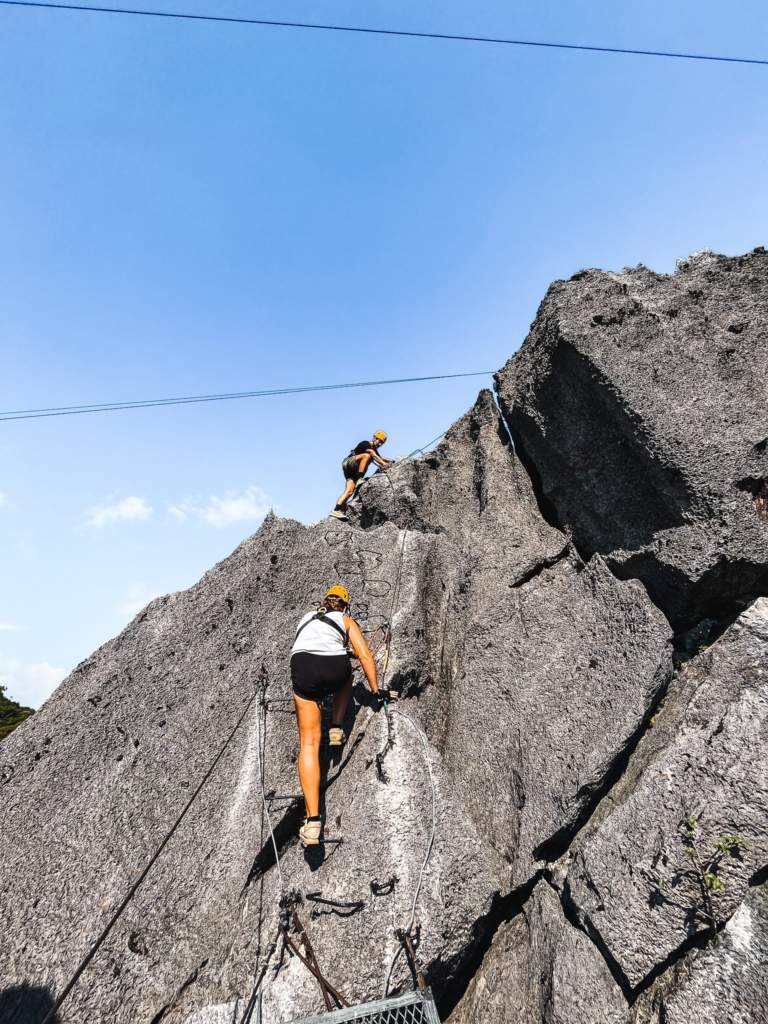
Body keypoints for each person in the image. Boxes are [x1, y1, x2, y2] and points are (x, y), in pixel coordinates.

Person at [290, 585, 398, 844]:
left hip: (303, 666)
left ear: (324, 602)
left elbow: (310, 645)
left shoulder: (306, 617)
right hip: (335, 666)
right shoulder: (346, 620)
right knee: (345, 677)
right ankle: (336, 726)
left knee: (308, 744)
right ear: (345, 606)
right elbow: (364, 655)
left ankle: (313, 822)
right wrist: (376, 691)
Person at [329, 431, 394, 520]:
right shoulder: (365, 444)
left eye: (382, 443)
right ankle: (360, 478)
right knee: (367, 456)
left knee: (349, 491)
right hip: (348, 462)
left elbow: (380, 457)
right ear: (374, 438)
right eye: (379, 441)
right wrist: (384, 464)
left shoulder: (374, 451)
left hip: (352, 473)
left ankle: (336, 510)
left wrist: (392, 461)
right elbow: (374, 456)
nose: (380, 444)